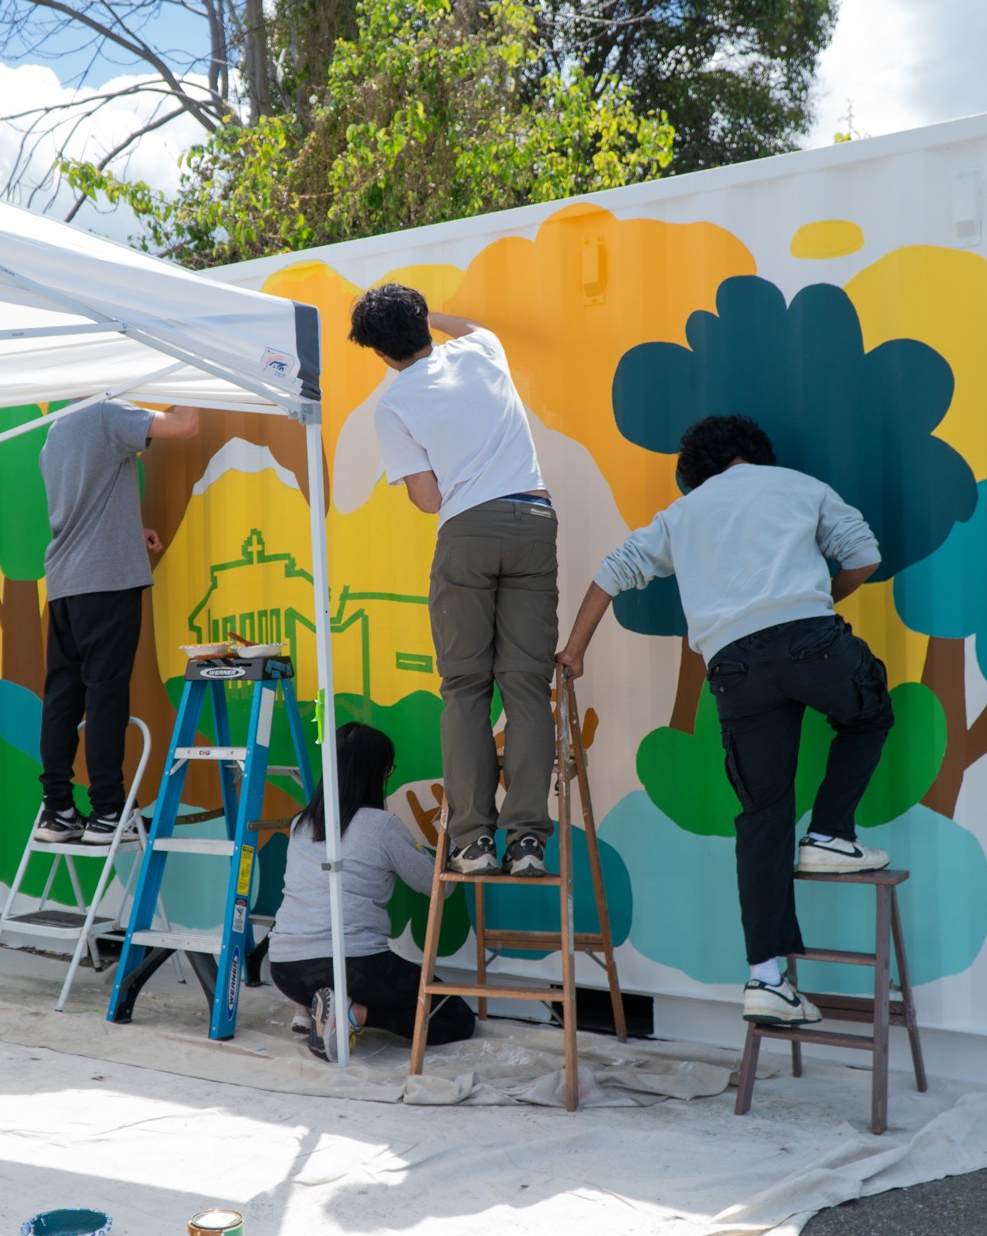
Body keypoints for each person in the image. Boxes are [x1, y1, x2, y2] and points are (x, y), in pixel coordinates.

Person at [556, 414, 896, 1027]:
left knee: (761, 812)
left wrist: (575, 651)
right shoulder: (799, 485)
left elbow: (612, 572)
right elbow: (864, 555)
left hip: (733, 664)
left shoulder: (682, 515)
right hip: (809, 638)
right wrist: (816, 603)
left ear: (696, 473)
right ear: (755, 455)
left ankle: (766, 980)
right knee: (868, 712)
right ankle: (828, 834)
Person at [349, 282, 556, 879]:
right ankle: (527, 843)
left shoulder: (391, 406)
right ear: (423, 325)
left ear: (379, 352)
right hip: (536, 519)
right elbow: (463, 326)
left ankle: (472, 841)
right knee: (525, 686)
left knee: (466, 687)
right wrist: (423, 314)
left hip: (467, 531)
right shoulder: (482, 349)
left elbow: (427, 497)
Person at [33, 398, 200, 845]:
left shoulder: (56, 431)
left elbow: (87, 501)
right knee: (105, 695)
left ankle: (58, 809)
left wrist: (132, 529)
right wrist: (186, 371)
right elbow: (185, 425)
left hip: (66, 582)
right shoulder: (106, 414)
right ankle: (108, 811)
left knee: (63, 696)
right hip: (105, 581)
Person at [270, 721, 475, 1064]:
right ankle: (352, 1015)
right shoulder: (382, 826)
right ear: (376, 773)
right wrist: (450, 851)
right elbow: (439, 887)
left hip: (286, 970)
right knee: (453, 1016)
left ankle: (321, 1007)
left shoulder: (300, 823)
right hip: (354, 965)